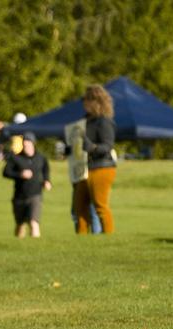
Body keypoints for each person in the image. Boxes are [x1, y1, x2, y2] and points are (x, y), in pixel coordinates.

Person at [78, 84, 118, 234]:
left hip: (102, 167)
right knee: (80, 206)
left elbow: (108, 146)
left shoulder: (104, 122)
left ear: (95, 101)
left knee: (100, 205)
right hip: (85, 167)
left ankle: (108, 237)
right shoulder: (85, 120)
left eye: (86, 100)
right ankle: (80, 238)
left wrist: (92, 147)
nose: (83, 103)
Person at [2, 131, 51, 238]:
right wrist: (20, 174)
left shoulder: (40, 158)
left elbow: (46, 170)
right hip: (19, 196)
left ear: (33, 144)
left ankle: (36, 248)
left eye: (28, 144)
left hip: (35, 194)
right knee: (20, 224)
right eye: (24, 144)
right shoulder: (15, 158)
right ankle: (19, 245)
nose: (26, 147)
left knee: (34, 223)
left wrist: (47, 181)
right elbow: (6, 172)